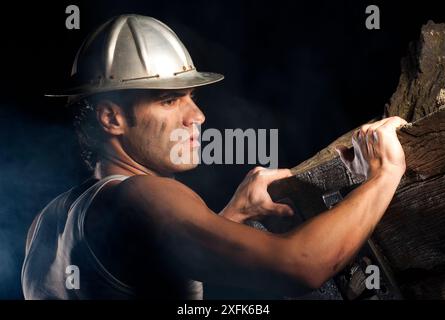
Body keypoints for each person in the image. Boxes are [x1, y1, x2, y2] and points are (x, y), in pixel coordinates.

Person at [21, 14, 407, 299]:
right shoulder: (142, 196)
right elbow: (299, 265)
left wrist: (231, 216)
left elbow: (144, 270)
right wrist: (384, 174)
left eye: (193, 98)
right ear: (111, 117)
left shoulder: (49, 220)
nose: (197, 117)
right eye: (170, 100)